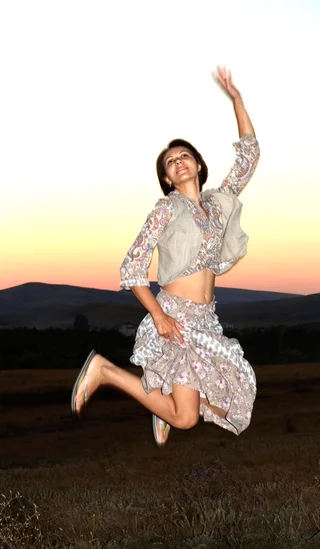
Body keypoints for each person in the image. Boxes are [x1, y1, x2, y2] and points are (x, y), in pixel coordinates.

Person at [71, 66, 260, 446]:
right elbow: (132, 268)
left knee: (233, 405)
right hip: (175, 316)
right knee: (187, 419)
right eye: (170, 163)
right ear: (168, 180)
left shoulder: (217, 205)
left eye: (184, 155)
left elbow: (248, 157)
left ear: (199, 166)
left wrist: (237, 100)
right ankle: (104, 370)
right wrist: (158, 316)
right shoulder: (166, 209)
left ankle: (164, 406)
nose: (178, 162)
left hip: (206, 320)